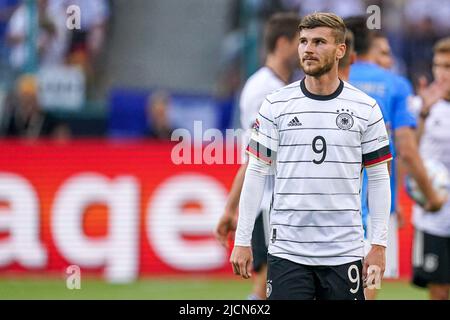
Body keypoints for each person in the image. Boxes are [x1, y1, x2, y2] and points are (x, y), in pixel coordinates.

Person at [230, 12, 392, 300]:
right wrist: (242, 239)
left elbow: (380, 178)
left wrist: (378, 245)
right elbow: (256, 172)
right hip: (288, 253)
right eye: (303, 41)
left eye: (319, 42)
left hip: (344, 252)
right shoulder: (275, 105)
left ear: (341, 50)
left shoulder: (366, 108)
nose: (308, 49)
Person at [345, 17, 447, 300]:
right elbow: (408, 151)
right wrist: (430, 195)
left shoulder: (328, 83)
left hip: (332, 207)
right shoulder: (395, 86)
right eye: (385, 53)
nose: (389, 60)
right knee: (367, 288)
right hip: (374, 210)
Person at [214, 12, 301, 300]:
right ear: (283, 42)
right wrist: (231, 209)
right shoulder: (264, 89)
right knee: (267, 287)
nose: (305, 50)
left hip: (282, 202)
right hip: (269, 204)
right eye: (300, 42)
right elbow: (255, 156)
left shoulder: (279, 88)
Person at [411, 37, 450, 300]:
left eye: (448, 66)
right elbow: (407, 153)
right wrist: (424, 113)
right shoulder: (419, 105)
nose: (441, 72)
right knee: (439, 290)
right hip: (434, 215)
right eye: (438, 65)